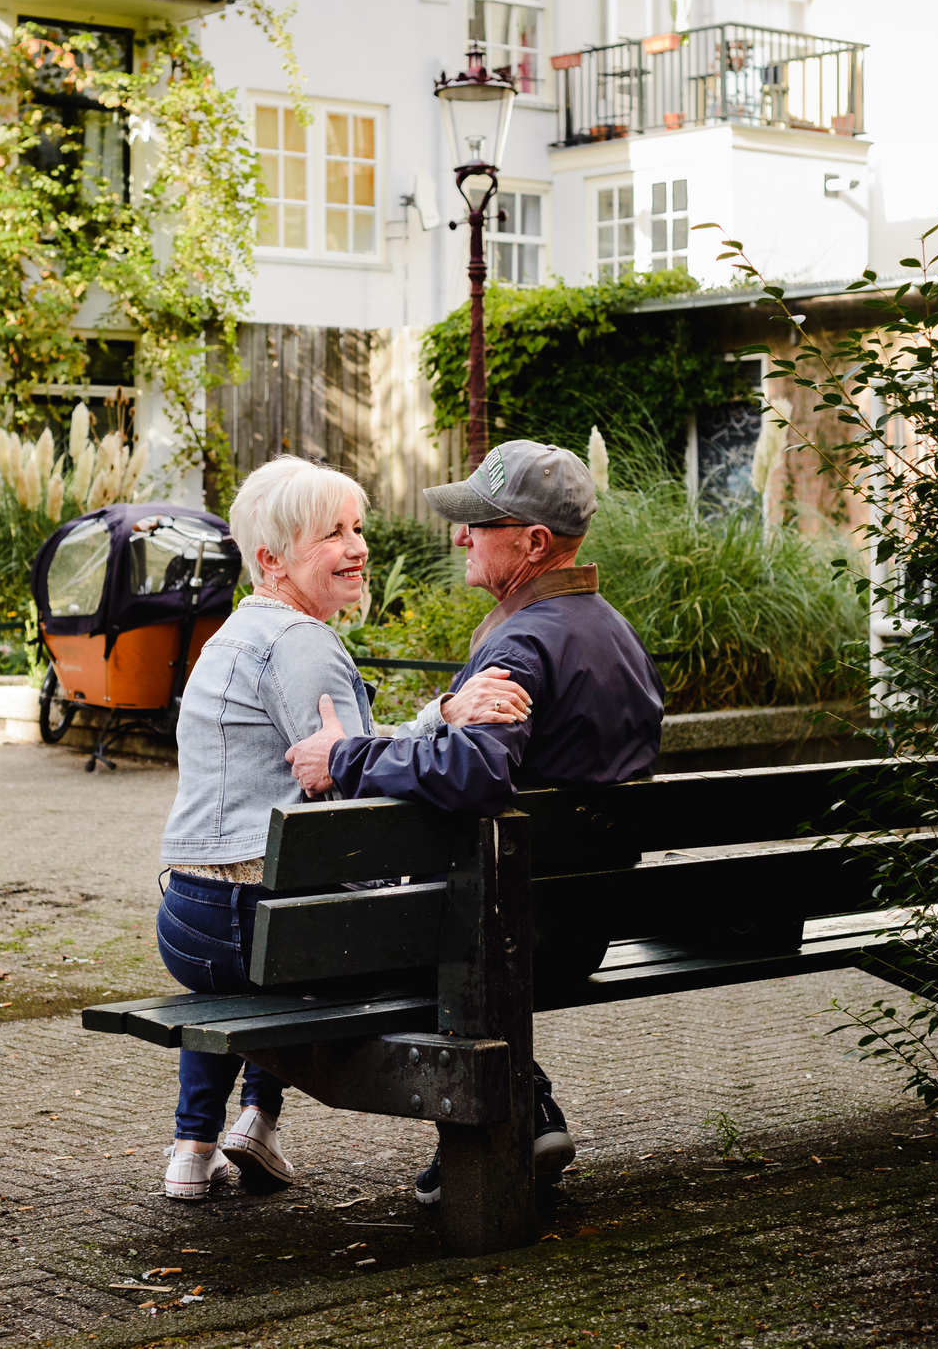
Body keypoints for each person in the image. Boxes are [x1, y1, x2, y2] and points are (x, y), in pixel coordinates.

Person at [284, 438, 665, 1205]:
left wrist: (346, 757)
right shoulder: (612, 632)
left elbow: (475, 770)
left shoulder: (524, 641)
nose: (460, 534)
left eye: (478, 522)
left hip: (507, 934)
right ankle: (526, 1107)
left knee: (320, 947)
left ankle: (511, 1117)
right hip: (586, 920)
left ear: (532, 543)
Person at [157, 454, 534, 1203]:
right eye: (332, 535)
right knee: (354, 929)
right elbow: (356, 780)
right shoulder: (304, 645)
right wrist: (450, 720)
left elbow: (344, 755)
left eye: (357, 528)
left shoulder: (232, 637)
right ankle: (502, 1129)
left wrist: (436, 715)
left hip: (190, 924)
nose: (358, 547)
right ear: (271, 560)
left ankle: (202, 1145)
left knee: (300, 924)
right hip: (262, 928)